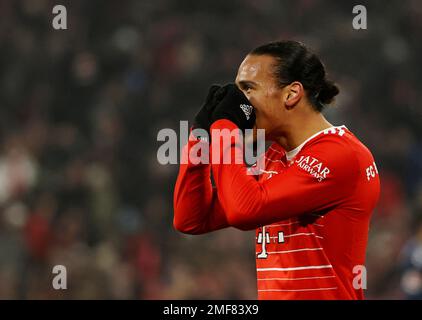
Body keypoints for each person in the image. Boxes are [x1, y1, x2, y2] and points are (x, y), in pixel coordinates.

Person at [173, 40, 380, 299]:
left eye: (248, 89)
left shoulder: (342, 154)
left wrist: (225, 127)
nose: (238, 102)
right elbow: (191, 218)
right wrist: (201, 134)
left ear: (291, 94)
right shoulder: (274, 156)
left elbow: (244, 210)